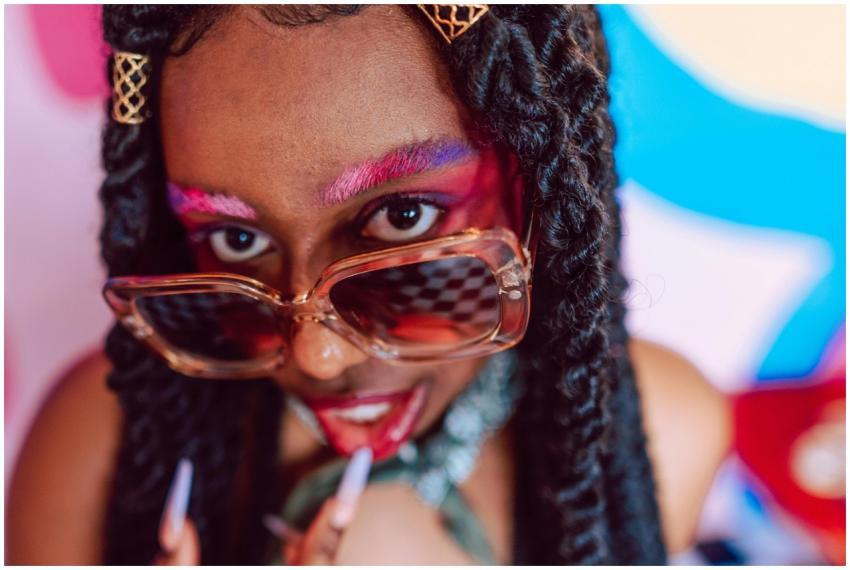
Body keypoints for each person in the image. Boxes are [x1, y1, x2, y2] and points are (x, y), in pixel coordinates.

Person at [6, 5, 731, 565]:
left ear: (539, 184)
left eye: (402, 216)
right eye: (237, 240)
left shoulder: (667, 432)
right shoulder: (101, 447)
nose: (316, 356)